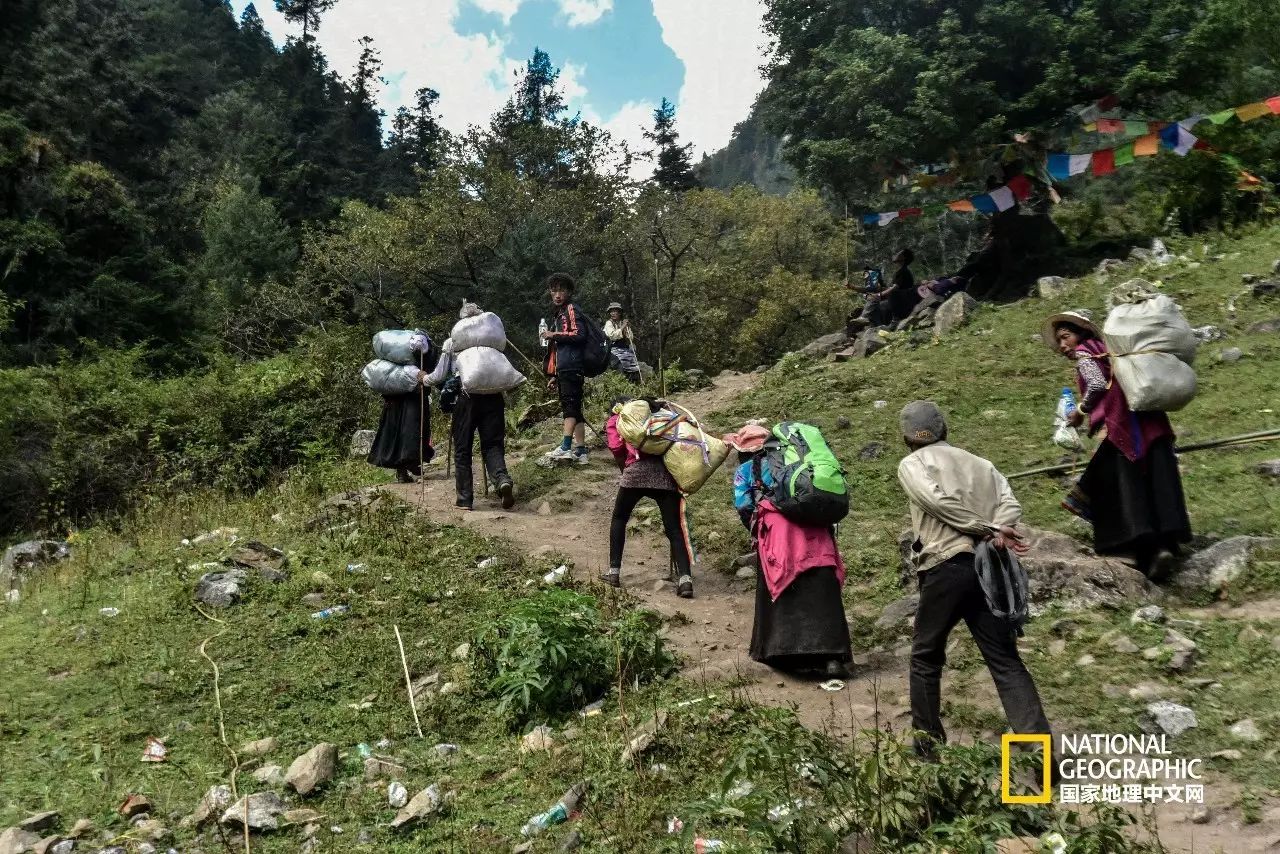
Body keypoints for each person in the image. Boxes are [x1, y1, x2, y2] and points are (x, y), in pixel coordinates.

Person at [896, 400, 1052, 761]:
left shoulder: (912, 464)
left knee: (925, 656)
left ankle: (928, 750)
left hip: (945, 565)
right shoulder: (981, 464)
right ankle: (1040, 756)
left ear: (906, 438)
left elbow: (936, 502)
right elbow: (1009, 502)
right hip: (990, 567)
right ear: (945, 430)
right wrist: (998, 529)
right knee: (1005, 660)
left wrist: (985, 528)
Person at [1045, 310, 1191, 579]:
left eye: (1066, 337)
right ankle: (1166, 544)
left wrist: (1080, 410)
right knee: (1154, 480)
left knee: (1121, 487)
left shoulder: (1086, 354)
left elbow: (1098, 384)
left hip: (1120, 426)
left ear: (1081, 334)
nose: (1063, 346)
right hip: (1149, 423)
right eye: (1059, 341)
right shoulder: (1112, 352)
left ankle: (1138, 550)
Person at [726, 423, 853, 679]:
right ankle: (832, 658)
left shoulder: (746, 470)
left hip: (778, 531)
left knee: (782, 586)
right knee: (821, 588)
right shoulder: (799, 465)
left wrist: (755, 531)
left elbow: (743, 505)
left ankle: (785, 654)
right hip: (817, 531)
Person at [601, 398, 695, 598]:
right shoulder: (665, 418)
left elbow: (617, 448)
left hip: (635, 473)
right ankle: (685, 579)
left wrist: (625, 470)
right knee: (674, 529)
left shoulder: (621, 420)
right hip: (665, 475)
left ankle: (614, 572)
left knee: (619, 519)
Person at [426, 303, 515, 511]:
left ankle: (465, 499)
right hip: (493, 397)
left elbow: (439, 375)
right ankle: (502, 480)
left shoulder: (452, 342)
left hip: (465, 399)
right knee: (493, 444)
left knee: (463, 448)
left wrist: (424, 380)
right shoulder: (491, 340)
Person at [367, 331, 435, 484]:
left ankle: (402, 471)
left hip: (393, 401)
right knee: (412, 432)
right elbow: (428, 368)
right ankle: (410, 463)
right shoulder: (422, 352)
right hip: (413, 398)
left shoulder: (393, 361)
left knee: (394, 433)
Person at [541, 273, 589, 465]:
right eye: (554, 290)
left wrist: (553, 334)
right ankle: (581, 451)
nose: (557, 294)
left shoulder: (571, 309)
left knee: (569, 407)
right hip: (565, 368)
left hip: (572, 366)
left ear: (569, 292)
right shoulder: (560, 313)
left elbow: (579, 335)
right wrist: (554, 374)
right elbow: (561, 347)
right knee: (575, 409)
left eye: (561, 290)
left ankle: (565, 447)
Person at [878, 248, 920, 324]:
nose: (896, 254)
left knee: (881, 305)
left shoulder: (902, 272)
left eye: (899, 253)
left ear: (903, 257)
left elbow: (895, 288)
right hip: (903, 300)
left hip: (902, 302)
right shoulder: (902, 271)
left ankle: (893, 322)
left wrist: (879, 295)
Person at [603, 302, 642, 384]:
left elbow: (630, 337)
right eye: (611, 311)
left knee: (634, 366)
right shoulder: (609, 323)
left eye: (615, 311)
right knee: (620, 365)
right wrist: (623, 327)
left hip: (625, 349)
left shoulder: (623, 323)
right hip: (613, 350)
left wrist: (626, 328)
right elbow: (612, 336)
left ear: (620, 313)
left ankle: (634, 383)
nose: (612, 313)